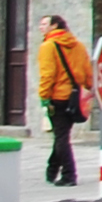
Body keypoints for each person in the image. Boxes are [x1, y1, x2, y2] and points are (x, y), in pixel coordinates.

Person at [33, 14, 92, 187]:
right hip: (74, 97)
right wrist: (90, 88)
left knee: (61, 137)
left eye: (44, 24)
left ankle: (69, 174)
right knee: (62, 135)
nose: (40, 27)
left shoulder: (48, 46)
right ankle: (51, 171)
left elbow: (48, 75)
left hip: (57, 97)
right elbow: (87, 71)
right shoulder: (78, 46)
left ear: (55, 26)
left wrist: (44, 96)